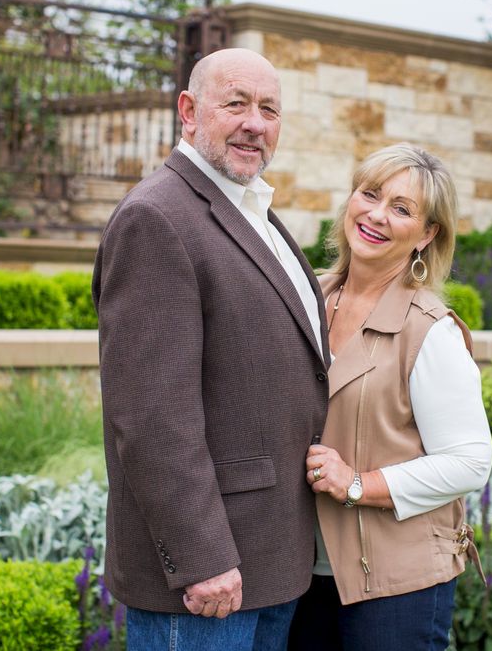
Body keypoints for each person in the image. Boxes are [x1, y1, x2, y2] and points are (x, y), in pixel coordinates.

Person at [92, 48, 330, 651]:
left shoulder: (254, 213)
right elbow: (151, 417)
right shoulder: (158, 218)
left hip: (270, 561)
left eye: (270, 109)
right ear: (189, 112)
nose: (256, 122)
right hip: (206, 580)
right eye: (237, 104)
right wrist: (201, 557)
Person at [288, 143, 492, 651]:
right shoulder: (305, 298)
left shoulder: (429, 332)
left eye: (401, 209)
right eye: (370, 194)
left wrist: (358, 483)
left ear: (427, 235)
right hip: (299, 575)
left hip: (395, 586)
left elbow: (470, 460)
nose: (377, 215)